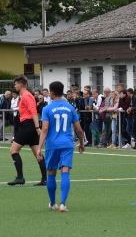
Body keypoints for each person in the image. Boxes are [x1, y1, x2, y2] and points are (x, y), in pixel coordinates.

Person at [36, 81, 84, 212]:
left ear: (51, 93)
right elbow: (79, 129)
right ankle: (63, 204)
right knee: (65, 171)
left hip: (52, 145)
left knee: (51, 172)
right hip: (67, 144)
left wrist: (39, 147)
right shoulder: (70, 108)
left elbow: (44, 129)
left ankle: (52, 203)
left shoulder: (47, 109)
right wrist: (81, 143)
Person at [8, 75, 48, 186]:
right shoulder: (25, 95)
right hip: (29, 126)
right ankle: (45, 179)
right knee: (37, 153)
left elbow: (33, 112)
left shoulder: (26, 96)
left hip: (27, 126)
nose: (15, 86)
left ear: (20, 84)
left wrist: (37, 128)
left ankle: (20, 177)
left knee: (13, 151)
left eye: (16, 84)